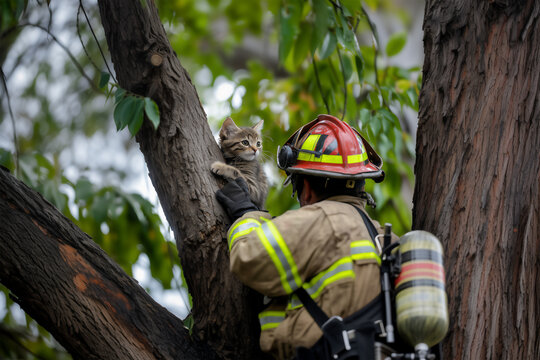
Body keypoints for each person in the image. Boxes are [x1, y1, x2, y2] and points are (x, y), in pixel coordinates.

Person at [215, 114, 392, 360]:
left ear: (306, 188)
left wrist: (247, 214)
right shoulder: (383, 237)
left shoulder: (316, 220)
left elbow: (248, 258)